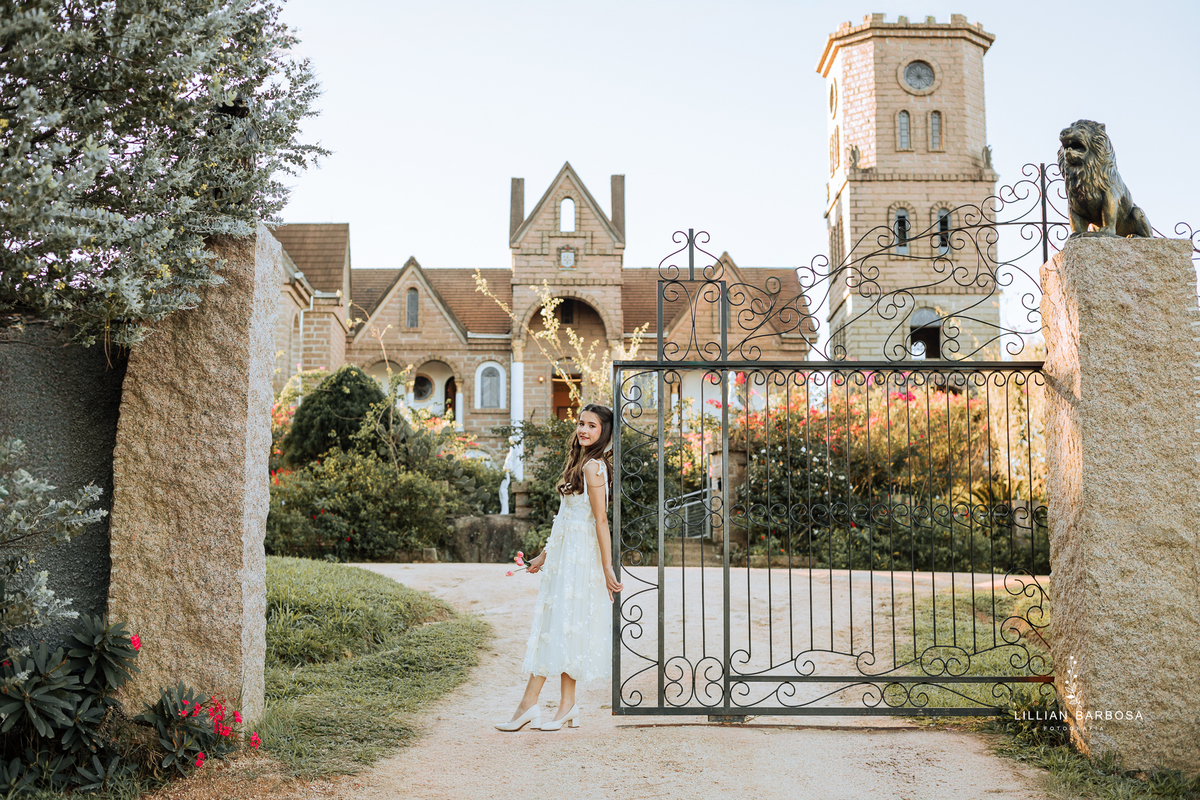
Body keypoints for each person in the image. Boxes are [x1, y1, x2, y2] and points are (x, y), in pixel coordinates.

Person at [495, 403, 623, 732]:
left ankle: (534, 705)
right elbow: (564, 520)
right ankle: (563, 706)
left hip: (581, 558)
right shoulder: (579, 463)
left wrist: (607, 567)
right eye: (581, 423)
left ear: (604, 432)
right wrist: (543, 556)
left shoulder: (595, 467)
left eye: (592, 426)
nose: (583, 430)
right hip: (565, 555)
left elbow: (600, 520)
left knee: (562, 626)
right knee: (563, 626)